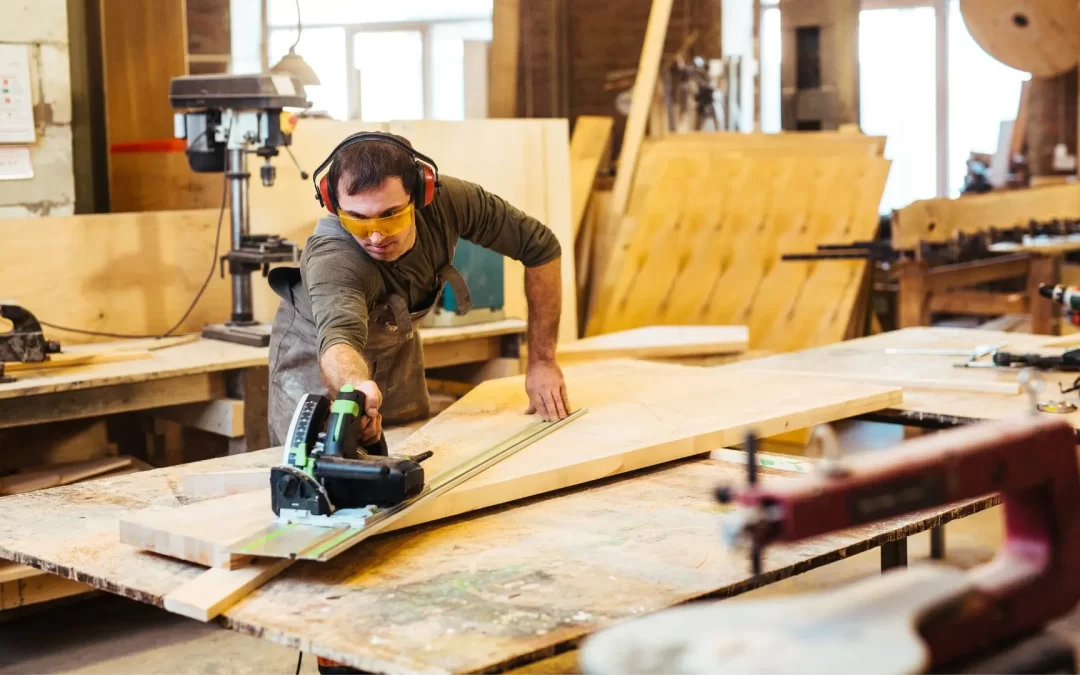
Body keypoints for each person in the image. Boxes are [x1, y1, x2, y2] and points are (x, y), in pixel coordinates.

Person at [266, 131, 571, 447]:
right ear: (334, 204)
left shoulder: (450, 203)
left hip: (398, 348)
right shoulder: (333, 257)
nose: (375, 237)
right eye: (357, 220)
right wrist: (355, 389)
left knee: (413, 453)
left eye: (390, 216)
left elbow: (540, 247)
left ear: (421, 194)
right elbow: (338, 340)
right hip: (318, 355)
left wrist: (542, 361)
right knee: (315, 465)